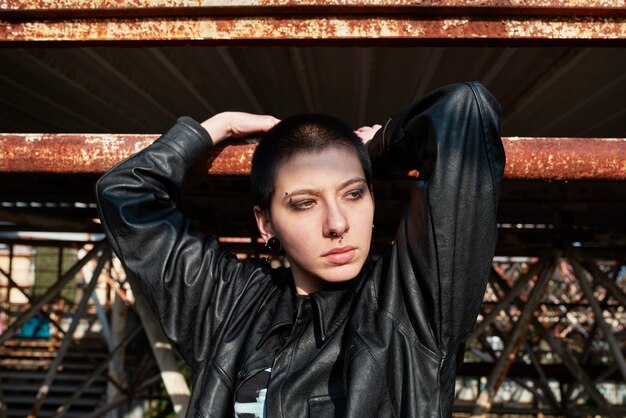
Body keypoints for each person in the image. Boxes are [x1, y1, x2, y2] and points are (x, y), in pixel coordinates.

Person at [96, 81, 505, 418]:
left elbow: (464, 109)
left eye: (354, 193)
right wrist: (215, 127)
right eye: (305, 203)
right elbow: (125, 194)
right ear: (266, 222)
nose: (337, 224)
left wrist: (377, 149)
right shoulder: (225, 305)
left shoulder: (414, 305)